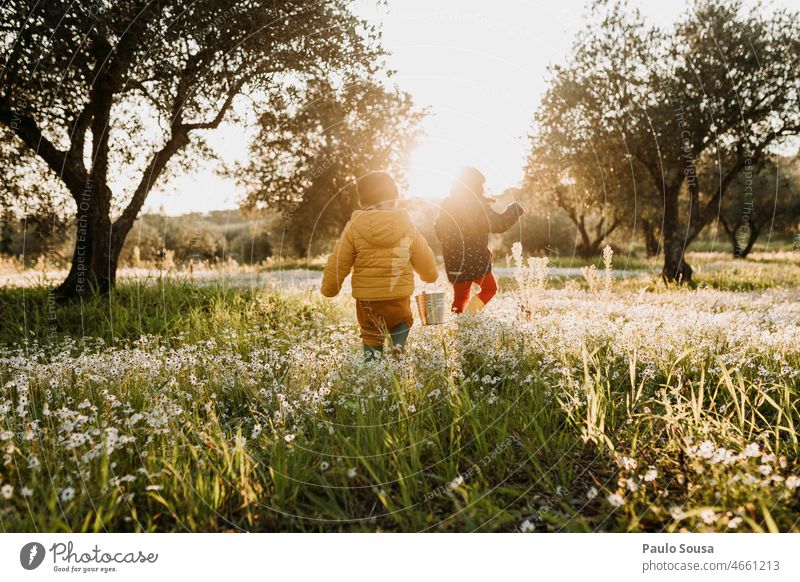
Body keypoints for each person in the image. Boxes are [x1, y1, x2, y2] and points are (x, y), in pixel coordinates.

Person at [321, 171, 438, 359]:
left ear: (362, 201)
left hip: (368, 299)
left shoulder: (354, 227)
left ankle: (372, 365)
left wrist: (330, 288)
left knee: (370, 331)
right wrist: (429, 275)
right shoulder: (406, 225)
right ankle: (398, 345)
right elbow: (423, 255)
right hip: (398, 294)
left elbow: (338, 261)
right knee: (403, 320)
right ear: (394, 198)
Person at [435, 167, 524, 314]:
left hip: (453, 261)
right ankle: (469, 315)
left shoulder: (447, 203)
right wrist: (514, 210)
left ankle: (459, 322)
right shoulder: (476, 206)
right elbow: (498, 224)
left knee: (460, 296)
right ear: (476, 186)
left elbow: (439, 230)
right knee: (490, 289)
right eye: (481, 185)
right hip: (474, 260)